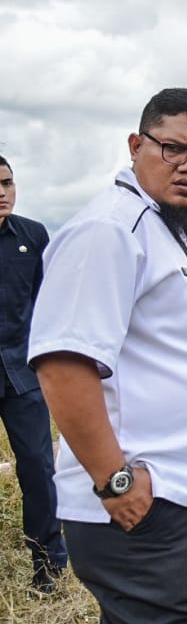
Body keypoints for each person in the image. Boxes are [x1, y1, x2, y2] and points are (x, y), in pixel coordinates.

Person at [28, 88, 187, 624]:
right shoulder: (110, 229)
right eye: (173, 147)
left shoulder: (169, 232)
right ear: (136, 146)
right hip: (145, 501)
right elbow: (63, 362)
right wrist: (116, 482)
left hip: (177, 498)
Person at [0, 155, 68, 595]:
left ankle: (48, 565)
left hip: (21, 375)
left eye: (7, 183)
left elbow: (49, 306)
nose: (2, 192)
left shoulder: (32, 235)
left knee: (40, 469)